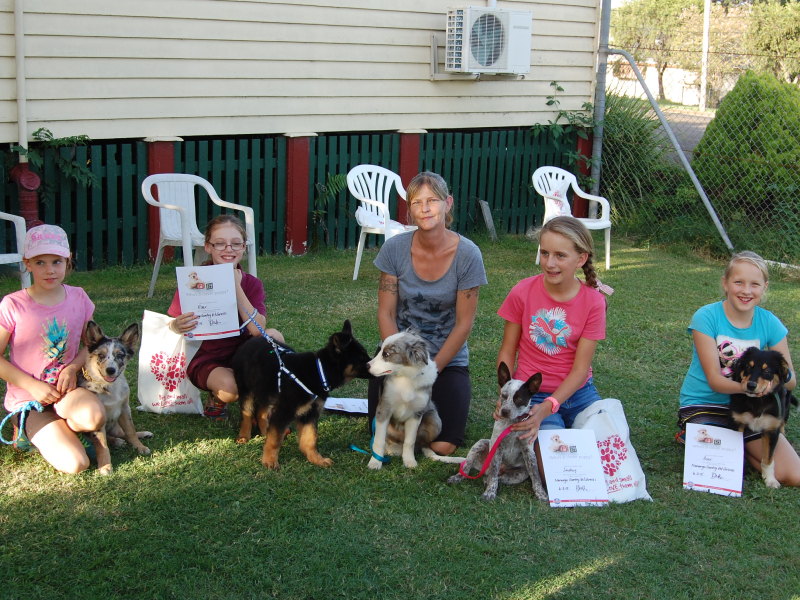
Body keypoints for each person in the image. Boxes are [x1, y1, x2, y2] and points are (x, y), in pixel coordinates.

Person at [368, 171, 487, 455]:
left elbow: (463, 324)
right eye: (416, 202)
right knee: (384, 435)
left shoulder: (468, 255)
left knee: (443, 445)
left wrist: (428, 371)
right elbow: (386, 313)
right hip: (399, 356)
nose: (424, 208)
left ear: (447, 203)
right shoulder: (394, 249)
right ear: (409, 208)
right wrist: (399, 363)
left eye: (432, 200)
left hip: (445, 360)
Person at [677, 250, 800, 486]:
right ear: (725, 283)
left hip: (752, 408)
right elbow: (714, 379)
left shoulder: (770, 322)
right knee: (722, 469)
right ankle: (693, 434)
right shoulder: (706, 317)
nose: (746, 290)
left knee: (793, 475)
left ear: (765, 287)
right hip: (706, 403)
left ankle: (742, 448)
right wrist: (751, 387)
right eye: (738, 282)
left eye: (755, 284)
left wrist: (771, 384)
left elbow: (790, 378)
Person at [496, 216, 607, 470]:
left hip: (579, 394)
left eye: (560, 255)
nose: (549, 263)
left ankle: (567, 426)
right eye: (544, 253)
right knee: (554, 471)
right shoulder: (522, 292)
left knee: (606, 455)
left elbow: (580, 371)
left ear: (581, 259)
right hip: (531, 396)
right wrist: (507, 398)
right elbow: (507, 350)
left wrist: (551, 407)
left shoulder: (594, 302)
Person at [0, 224, 104, 473]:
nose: (49, 270)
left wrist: (72, 368)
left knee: (94, 417)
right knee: (77, 463)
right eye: (40, 262)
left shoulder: (79, 297)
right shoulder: (13, 304)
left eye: (56, 261)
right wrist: (32, 386)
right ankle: (28, 429)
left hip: (67, 390)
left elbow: (92, 345)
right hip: (30, 399)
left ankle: (63, 427)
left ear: (68, 261)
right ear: (27, 263)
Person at [168, 214, 284, 420]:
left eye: (235, 244)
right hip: (206, 358)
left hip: (242, 351)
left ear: (243, 247)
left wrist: (236, 287)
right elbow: (172, 325)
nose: (228, 249)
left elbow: (257, 329)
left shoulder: (251, 284)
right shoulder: (192, 281)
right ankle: (217, 396)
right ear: (208, 247)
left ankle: (261, 401)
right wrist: (177, 325)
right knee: (231, 390)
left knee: (274, 337)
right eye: (220, 244)